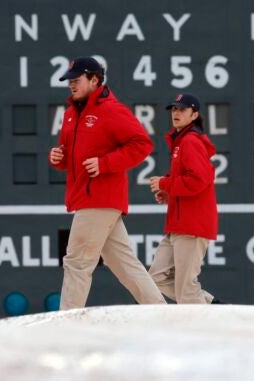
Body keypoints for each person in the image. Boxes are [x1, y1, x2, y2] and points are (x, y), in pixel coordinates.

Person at [48, 56, 167, 310]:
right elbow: (70, 155)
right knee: (123, 263)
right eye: (69, 80)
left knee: (77, 262)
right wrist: (58, 158)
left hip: (99, 197)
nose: (71, 85)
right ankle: (161, 311)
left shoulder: (111, 110)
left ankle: (66, 322)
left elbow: (143, 144)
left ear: (94, 79)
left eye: (76, 80)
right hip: (87, 196)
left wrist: (105, 163)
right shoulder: (70, 114)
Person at [148, 93, 219, 304]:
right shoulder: (181, 141)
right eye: (174, 109)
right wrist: (169, 192)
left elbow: (198, 180)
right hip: (179, 225)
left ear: (194, 114)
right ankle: (210, 306)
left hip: (192, 225)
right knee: (155, 277)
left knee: (186, 290)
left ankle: (211, 321)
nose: (176, 113)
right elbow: (190, 180)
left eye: (182, 109)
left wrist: (164, 183)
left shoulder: (190, 141)